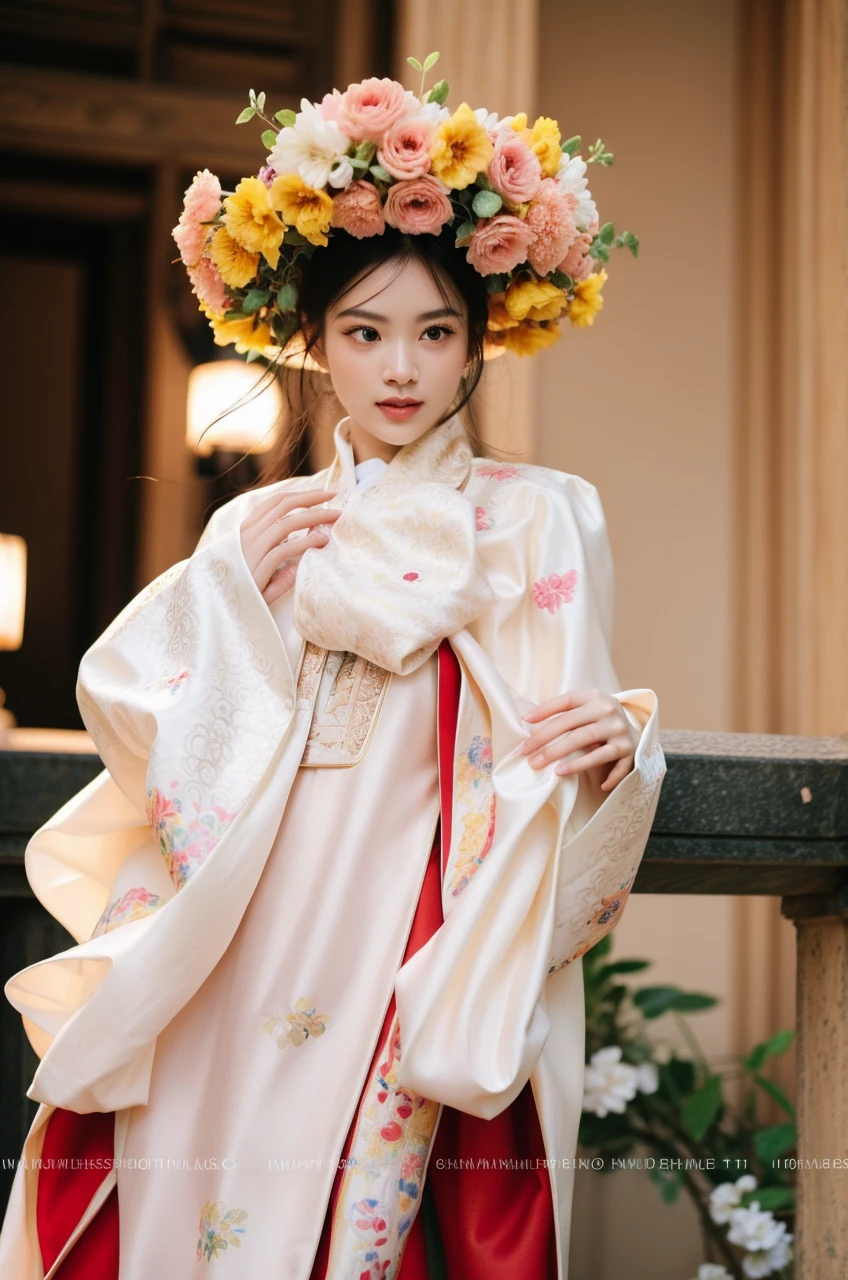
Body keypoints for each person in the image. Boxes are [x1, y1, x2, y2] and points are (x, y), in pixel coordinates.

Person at [0, 67, 666, 1280]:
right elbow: (137, 727)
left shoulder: (540, 517)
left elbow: (566, 720)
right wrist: (230, 602)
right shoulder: (261, 528)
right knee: (195, 1198)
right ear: (314, 344)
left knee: (367, 1218)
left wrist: (624, 754)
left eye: (433, 331)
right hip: (245, 922)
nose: (398, 367)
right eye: (364, 332)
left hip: (409, 917)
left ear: (476, 345)